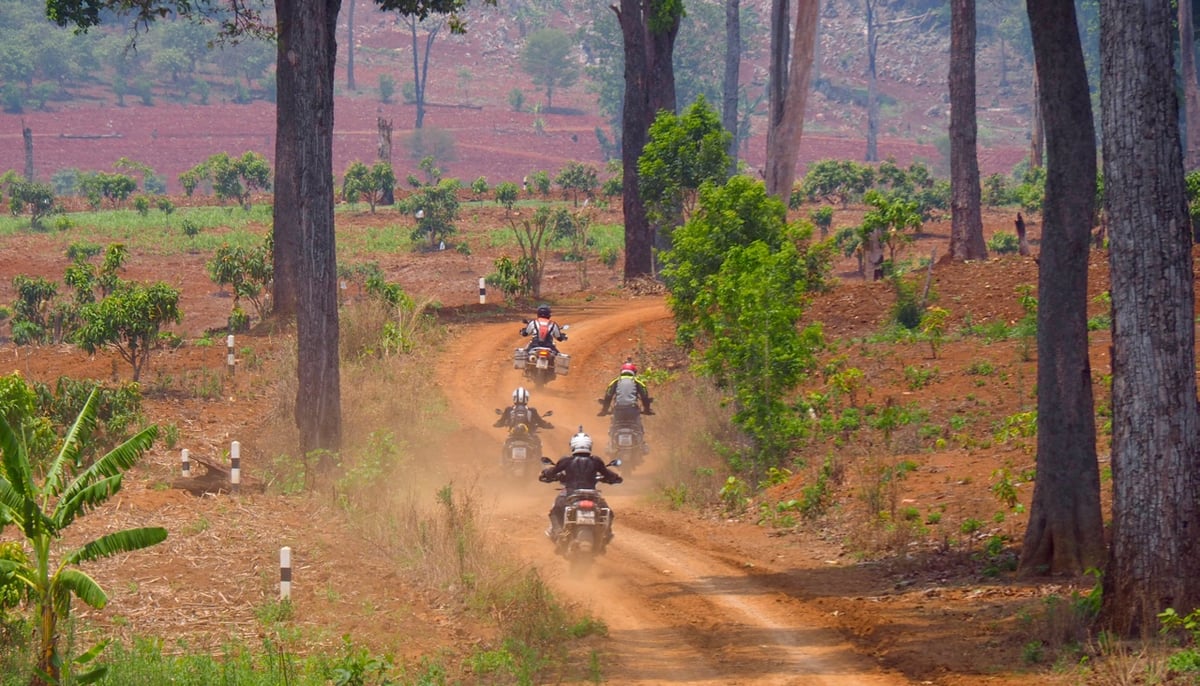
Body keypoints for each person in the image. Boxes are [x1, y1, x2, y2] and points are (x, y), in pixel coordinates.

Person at [539, 431, 622, 539]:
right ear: (590, 445)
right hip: (592, 495)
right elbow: (607, 473)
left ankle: (557, 531)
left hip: (571, 493)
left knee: (555, 511)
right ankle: (607, 533)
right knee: (608, 511)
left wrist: (545, 474)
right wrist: (615, 477)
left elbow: (552, 472)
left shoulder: (566, 460)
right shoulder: (596, 460)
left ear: (573, 445)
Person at [598, 361, 654, 440]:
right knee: (639, 429)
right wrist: (647, 410)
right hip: (633, 410)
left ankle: (612, 444)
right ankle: (641, 445)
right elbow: (644, 397)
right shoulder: (638, 382)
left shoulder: (615, 382)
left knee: (613, 428)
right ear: (634, 372)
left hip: (618, 411)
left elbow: (608, 397)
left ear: (621, 372)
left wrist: (604, 410)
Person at [495, 387, 553, 457]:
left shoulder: (509, 410)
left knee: (505, 446)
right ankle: (538, 463)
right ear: (527, 398)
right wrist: (548, 425)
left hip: (513, 436)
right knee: (538, 443)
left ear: (514, 398)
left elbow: (500, 422)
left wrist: (497, 424)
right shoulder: (532, 410)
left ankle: (504, 463)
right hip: (529, 437)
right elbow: (541, 422)